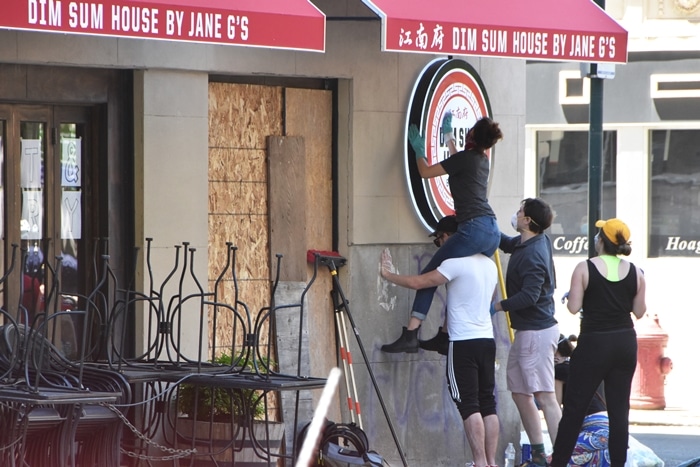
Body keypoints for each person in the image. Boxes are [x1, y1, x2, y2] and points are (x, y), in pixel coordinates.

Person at [380, 215, 500, 467]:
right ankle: (491, 462)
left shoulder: (454, 263)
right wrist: (442, 333)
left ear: (454, 238)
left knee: (468, 404)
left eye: (440, 240)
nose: (440, 245)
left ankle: (479, 463)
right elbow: (470, 302)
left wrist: (388, 274)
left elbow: (418, 283)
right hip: (487, 340)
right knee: (488, 402)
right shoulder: (489, 265)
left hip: (463, 343)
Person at [381, 114, 503, 353]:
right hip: (492, 232)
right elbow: (458, 158)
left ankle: (411, 333)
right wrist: (447, 135)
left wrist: (418, 150)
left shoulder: (465, 158)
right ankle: (445, 335)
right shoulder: (480, 160)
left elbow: (425, 172)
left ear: (472, 136)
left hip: (473, 230)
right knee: (452, 276)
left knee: (430, 275)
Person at [550, 218, 647, 467]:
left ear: (601, 241)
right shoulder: (635, 271)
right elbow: (639, 311)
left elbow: (573, 307)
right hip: (624, 342)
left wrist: (573, 294)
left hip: (594, 343)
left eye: (597, 234)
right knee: (619, 411)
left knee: (574, 409)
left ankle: (558, 462)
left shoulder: (585, 267)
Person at [492, 197, 560, 467]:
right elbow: (509, 244)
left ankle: (563, 455)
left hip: (537, 332)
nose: (516, 214)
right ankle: (540, 454)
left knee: (545, 395)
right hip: (528, 331)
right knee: (521, 392)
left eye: (520, 212)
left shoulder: (533, 255)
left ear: (528, 220)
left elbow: (530, 296)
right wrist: (485, 224)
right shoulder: (533, 241)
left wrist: (498, 306)